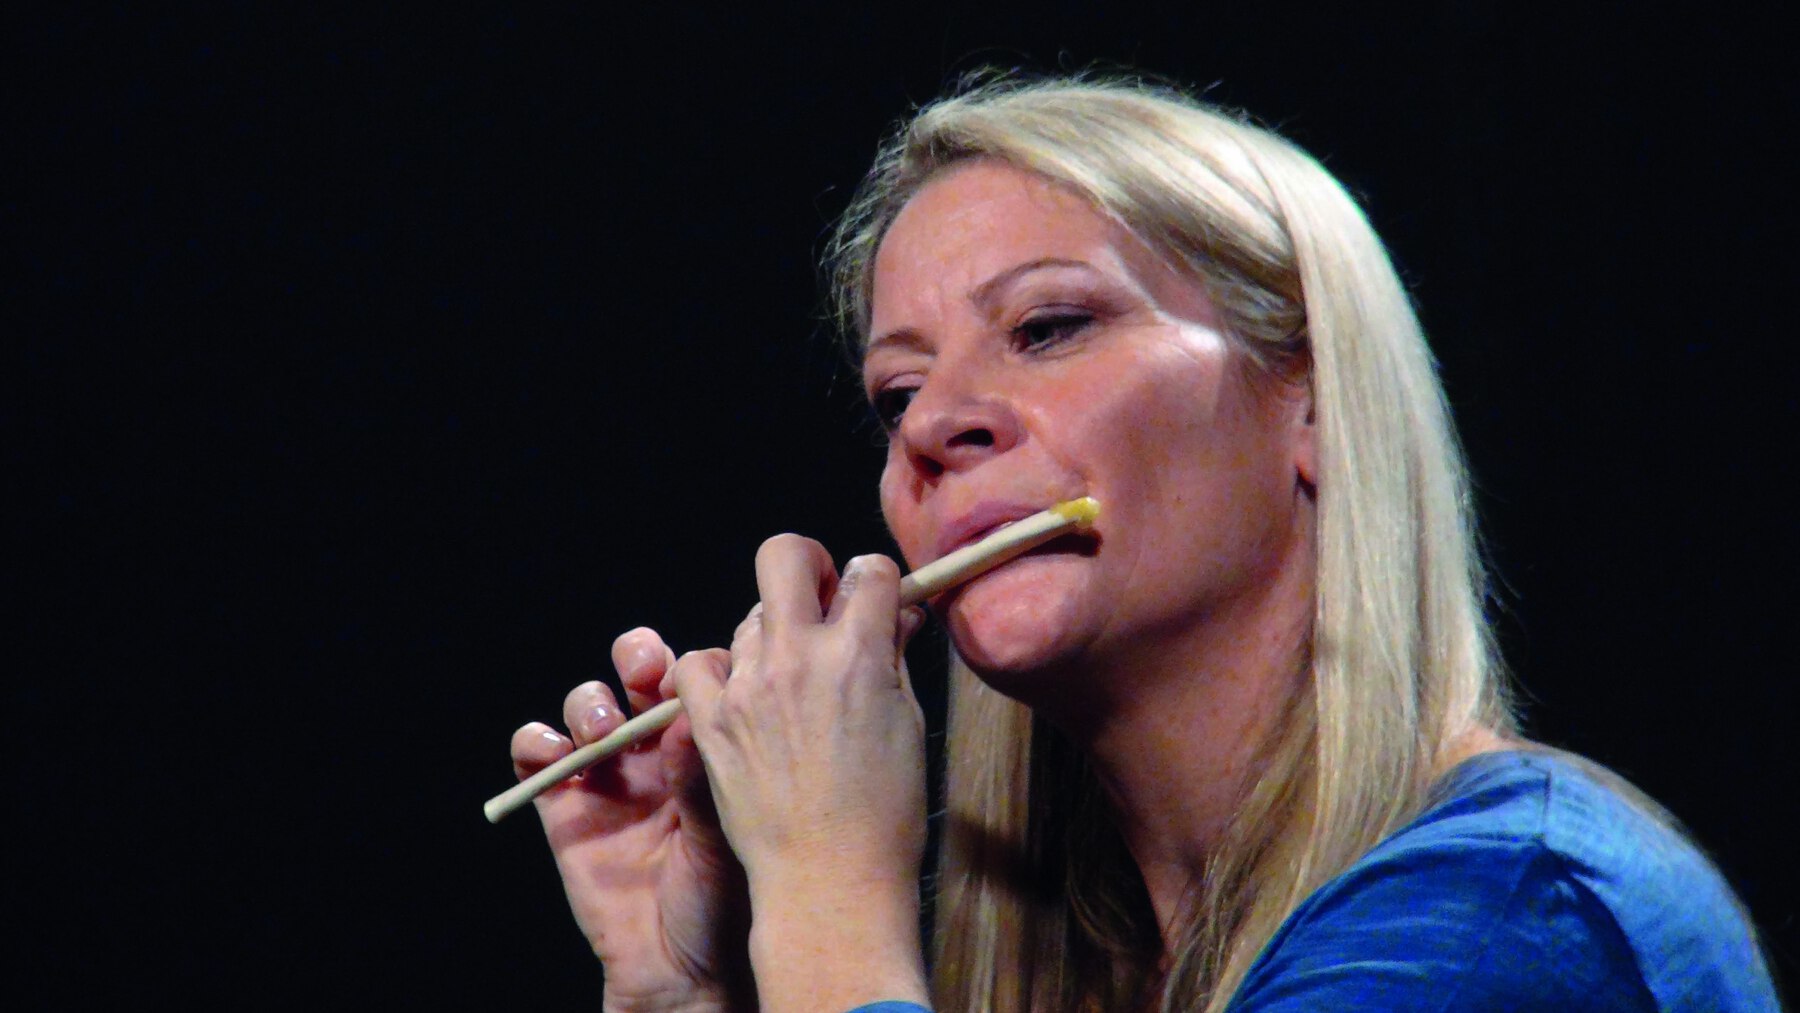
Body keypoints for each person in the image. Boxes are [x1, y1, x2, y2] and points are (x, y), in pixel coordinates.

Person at [507, 76, 1779, 1012]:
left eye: (1049, 325)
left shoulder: (1505, 919)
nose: (937, 422)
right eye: (896, 393)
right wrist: (688, 996)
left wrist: (828, 890)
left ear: (1315, 399)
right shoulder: (1126, 966)